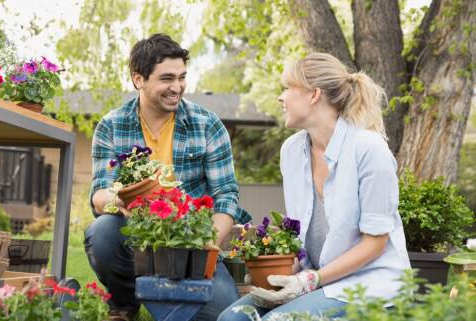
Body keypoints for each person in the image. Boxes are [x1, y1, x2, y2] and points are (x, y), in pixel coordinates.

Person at [219, 52, 411, 320]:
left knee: (278, 320)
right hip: (318, 282)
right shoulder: (292, 150)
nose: (281, 97)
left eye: (288, 89)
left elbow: (375, 245)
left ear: (313, 95)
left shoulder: (369, 149)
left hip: (371, 285)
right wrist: (278, 272)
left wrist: (309, 280)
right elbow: (302, 238)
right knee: (233, 318)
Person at [84, 33, 251, 321]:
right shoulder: (112, 125)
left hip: (193, 244)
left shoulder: (207, 125)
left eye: (182, 77)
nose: (177, 87)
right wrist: (122, 201)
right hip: (137, 236)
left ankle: (169, 297)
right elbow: (100, 193)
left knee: (223, 314)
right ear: (139, 79)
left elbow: (226, 196)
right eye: (167, 79)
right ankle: (124, 305)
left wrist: (207, 244)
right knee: (103, 231)